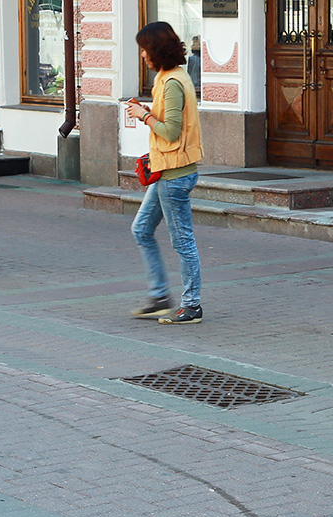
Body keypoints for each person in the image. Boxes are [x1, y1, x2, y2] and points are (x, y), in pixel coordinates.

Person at [126, 21, 204, 325]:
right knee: (141, 230)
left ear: (156, 51)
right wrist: (147, 109)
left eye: (145, 50)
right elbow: (171, 119)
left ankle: (192, 305)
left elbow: (171, 132)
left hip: (174, 175)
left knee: (183, 241)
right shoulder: (169, 77)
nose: (143, 56)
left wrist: (143, 115)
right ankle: (159, 297)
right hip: (166, 170)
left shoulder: (172, 83)